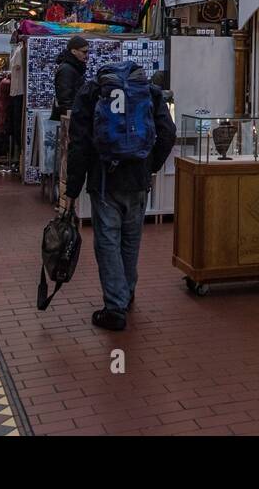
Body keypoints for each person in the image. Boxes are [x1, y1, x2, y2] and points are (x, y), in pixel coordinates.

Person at [63, 62, 175, 331]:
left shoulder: (91, 92)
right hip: (138, 180)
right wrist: (151, 166)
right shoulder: (149, 91)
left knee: (107, 242)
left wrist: (71, 191)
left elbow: (78, 146)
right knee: (130, 239)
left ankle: (115, 307)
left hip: (105, 181)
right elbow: (168, 134)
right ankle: (127, 290)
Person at [54, 35, 90, 115]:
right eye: (84, 52)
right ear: (73, 51)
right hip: (71, 114)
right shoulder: (67, 69)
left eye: (87, 52)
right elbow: (65, 98)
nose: (86, 55)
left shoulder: (75, 67)